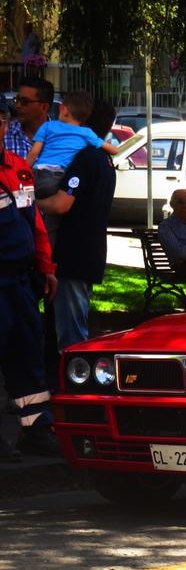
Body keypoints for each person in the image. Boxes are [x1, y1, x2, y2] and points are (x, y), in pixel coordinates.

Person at [0, 97, 60, 459]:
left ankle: (35, 430)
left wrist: (46, 268)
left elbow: (34, 225)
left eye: (0, 121)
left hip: (20, 283)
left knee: (26, 355)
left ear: (6, 126)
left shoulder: (20, 169)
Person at [36, 100, 117, 356]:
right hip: (89, 251)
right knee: (72, 322)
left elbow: (61, 205)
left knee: (71, 335)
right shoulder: (104, 159)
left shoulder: (85, 158)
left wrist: (29, 202)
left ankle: (73, 383)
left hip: (73, 254)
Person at [26, 90, 118, 201]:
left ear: (64, 110)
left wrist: (23, 171)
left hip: (38, 174)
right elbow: (113, 150)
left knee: (26, 203)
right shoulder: (87, 133)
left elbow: (34, 153)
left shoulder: (47, 126)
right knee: (54, 209)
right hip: (59, 178)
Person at [3, 77, 53, 159]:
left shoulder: (61, 137)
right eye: (17, 100)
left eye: (25, 102)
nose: (18, 106)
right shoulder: (4, 135)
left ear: (44, 107)